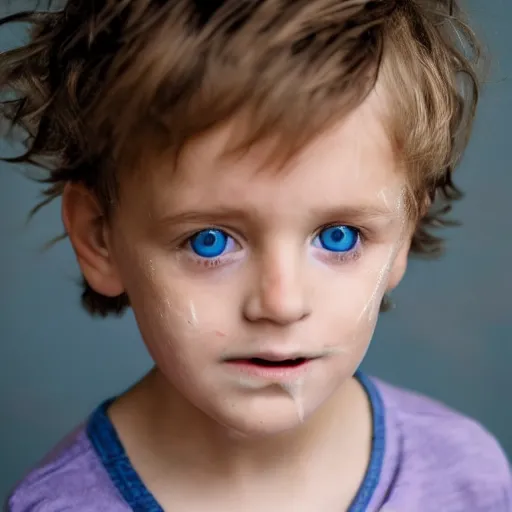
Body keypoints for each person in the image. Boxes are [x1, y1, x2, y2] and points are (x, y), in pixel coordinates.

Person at [2, 0, 511, 510]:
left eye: (339, 237)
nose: (281, 304)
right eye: (211, 241)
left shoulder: (467, 479)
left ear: (403, 237)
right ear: (100, 238)